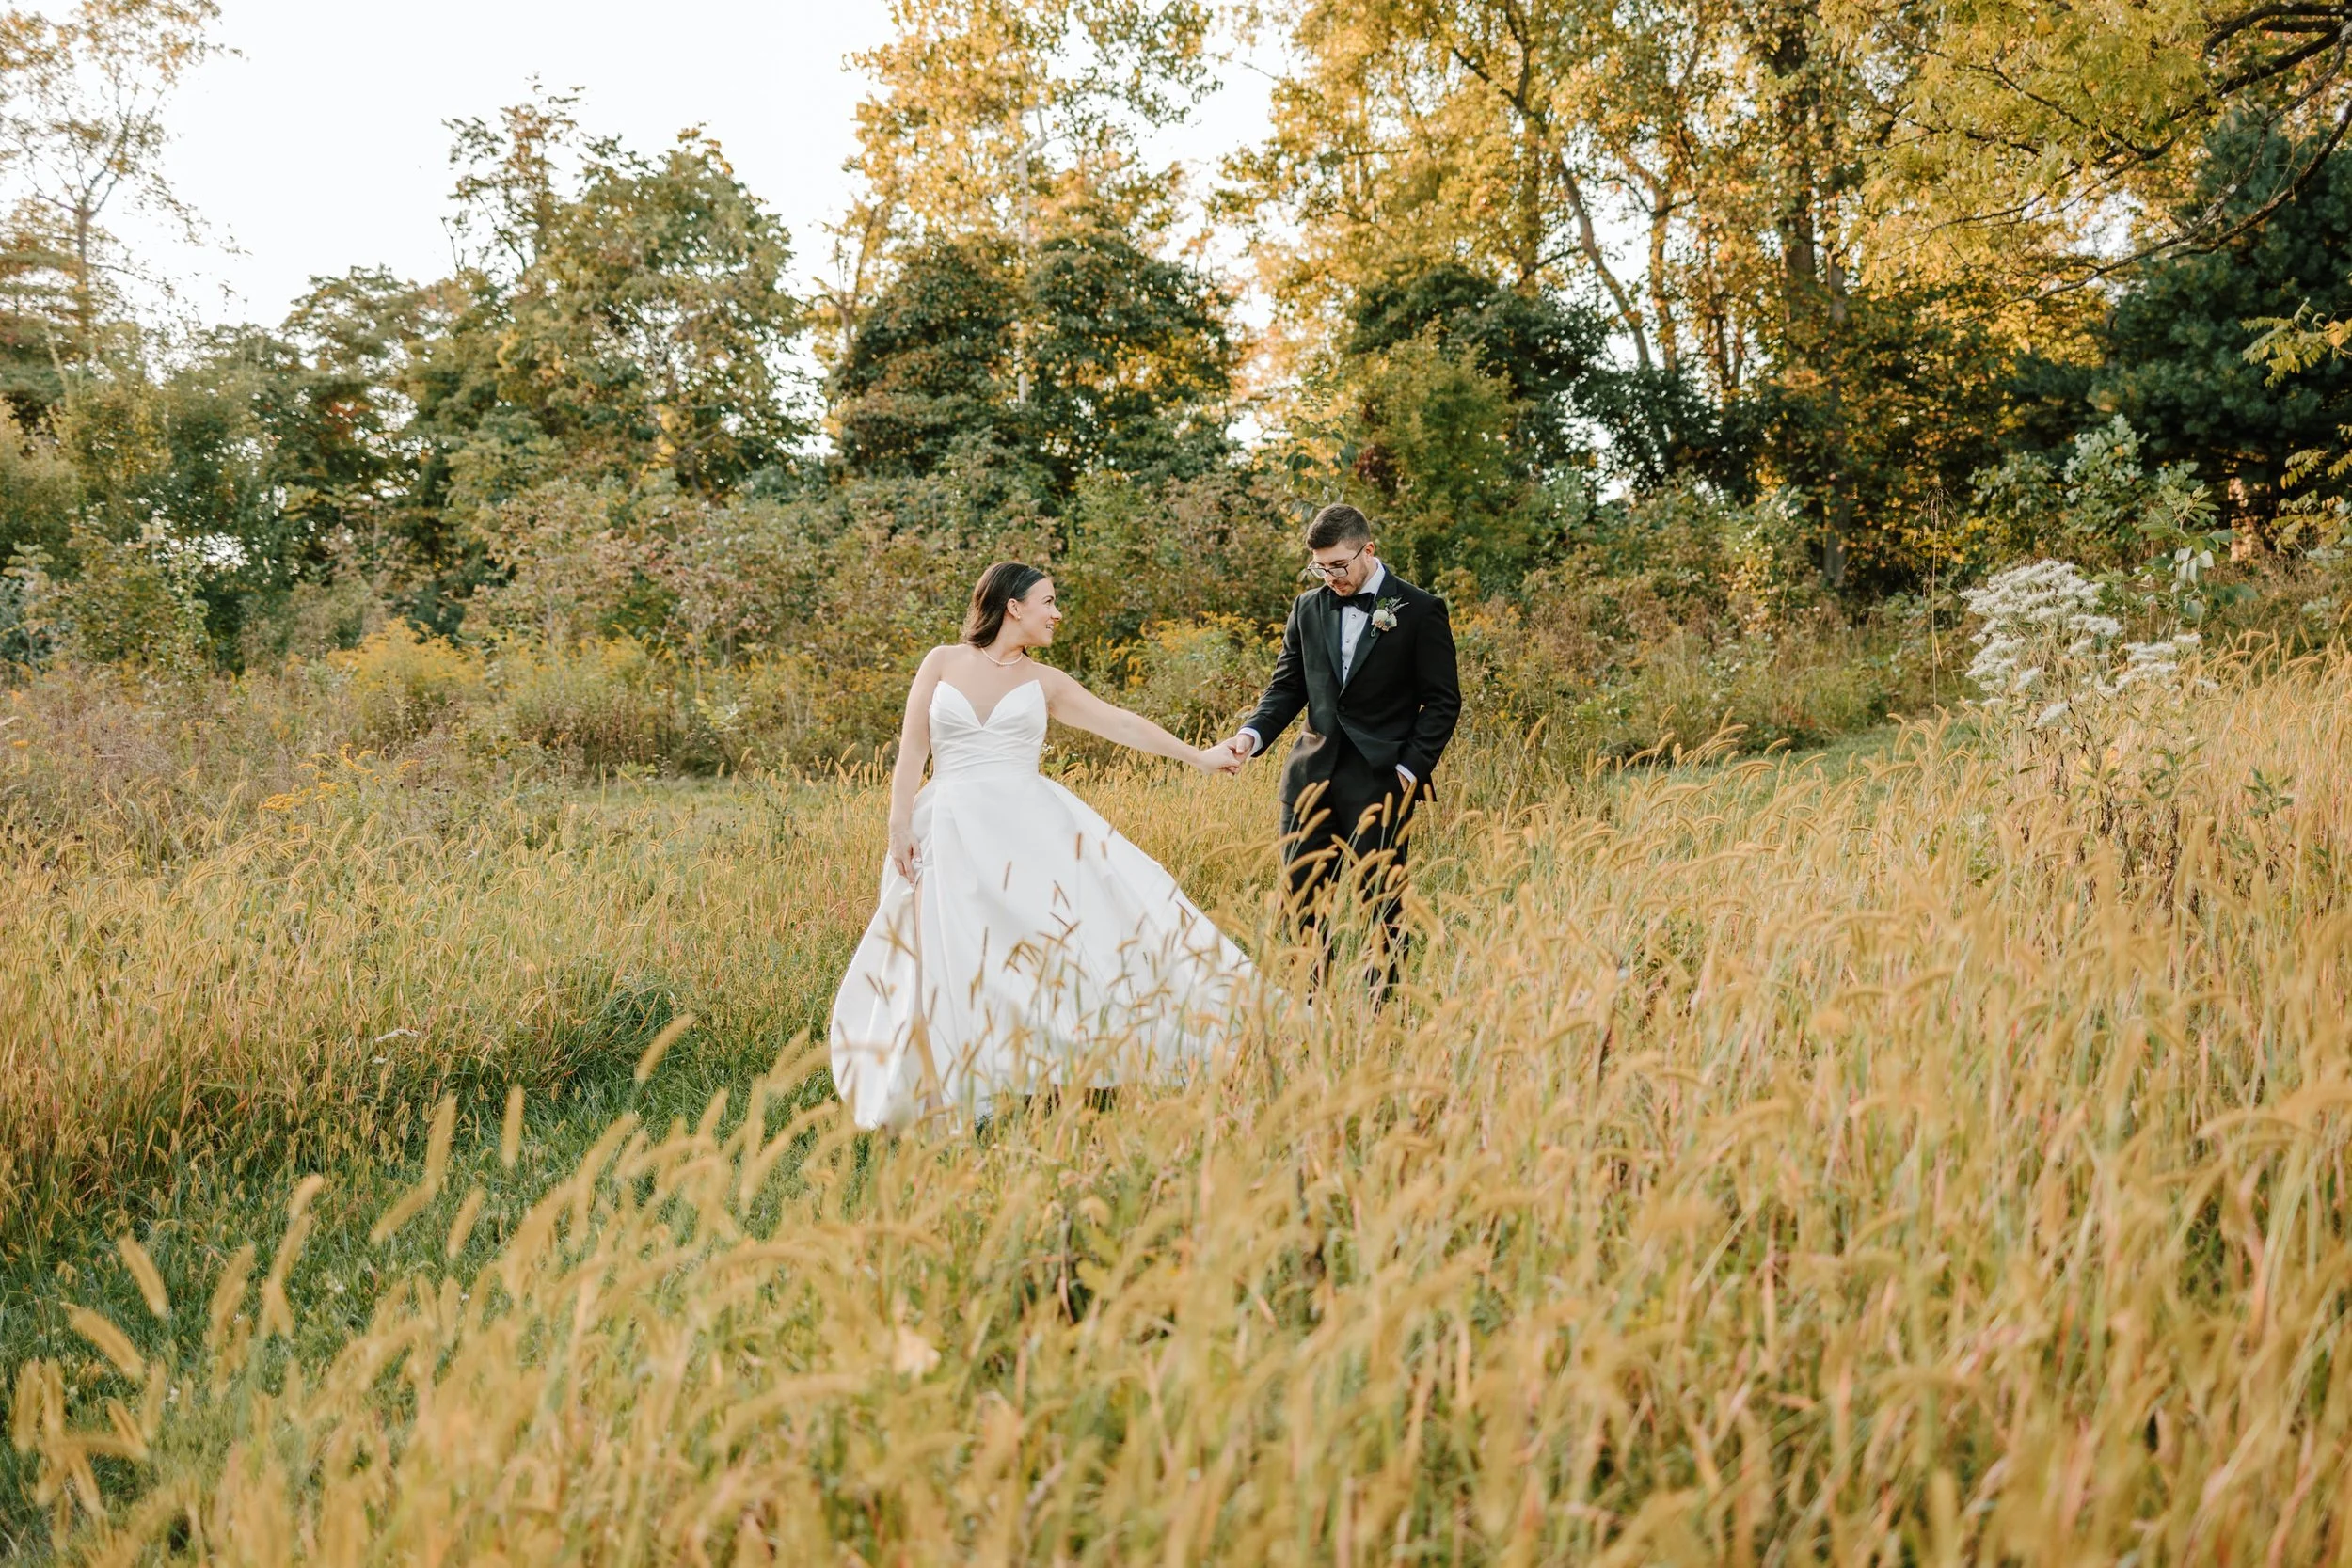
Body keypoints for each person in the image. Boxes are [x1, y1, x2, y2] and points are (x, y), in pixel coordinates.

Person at [829, 562, 1253, 1130]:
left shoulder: (1044, 681)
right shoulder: (942, 662)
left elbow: (1120, 723)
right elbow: (911, 753)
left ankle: (1057, 1062)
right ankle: (964, 1083)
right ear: (1013, 606)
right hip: (949, 826)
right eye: (1048, 601)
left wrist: (1199, 757)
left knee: (1054, 944)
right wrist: (899, 828)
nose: (1057, 613)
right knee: (955, 951)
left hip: (1029, 828)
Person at [1213, 503, 1461, 994]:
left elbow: (1443, 701)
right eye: (1320, 567)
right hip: (1309, 780)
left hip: (1381, 781)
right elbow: (1286, 688)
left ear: (1368, 550)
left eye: (1339, 566)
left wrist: (1409, 770)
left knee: (1382, 907)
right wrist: (1251, 734)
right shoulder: (1308, 607)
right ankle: (1308, 1014)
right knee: (1300, 905)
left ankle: (1378, 1019)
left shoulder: (1419, 609)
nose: (1330, 577)